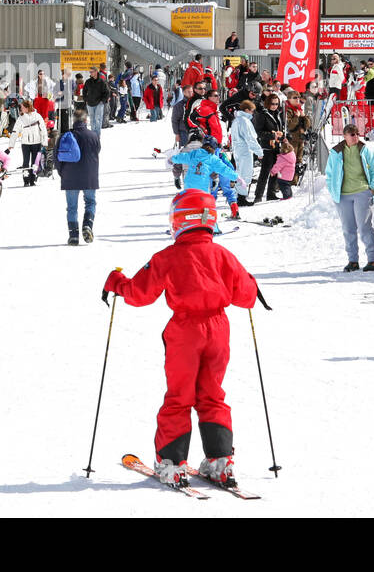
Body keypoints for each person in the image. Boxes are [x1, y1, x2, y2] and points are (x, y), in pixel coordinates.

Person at [101, 189, 260, 488]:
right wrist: (250, 282)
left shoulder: (168, 257)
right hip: (218, 329)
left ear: (179, 220)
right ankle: (220, 460)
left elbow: (139, 293)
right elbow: (246, 296)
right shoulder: (223, 255)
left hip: (185, 332)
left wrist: (117, 283)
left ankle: (172, 462)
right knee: (212, 393)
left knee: (180, 395)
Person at [325, 124, 374, 272]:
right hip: (343, 195)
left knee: (365, 227)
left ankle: (373, 259)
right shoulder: (336, 152)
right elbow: (330, 173)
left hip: (362, 192)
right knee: (348, 228)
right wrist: (333, 191)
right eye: (352, 134)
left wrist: (372, 188)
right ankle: (353, 260)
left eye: (357, 134)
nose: (356, 137)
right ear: (345, 136)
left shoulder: (365, 150)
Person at [56, 107, 101, 244]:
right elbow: (97, 151)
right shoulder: (93, 135)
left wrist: (62, 173)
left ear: (73, 120)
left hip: (70, 177)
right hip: (89, 176)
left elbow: (57, 159)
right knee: (90, 202)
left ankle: (73, 235)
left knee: (71, 207)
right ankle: (87, 225)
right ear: (86, 120)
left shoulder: (66, 136)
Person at [251, 93, 287, 203]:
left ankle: (271, 193)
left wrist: (283, 137)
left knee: (275, 170)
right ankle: (258, 195)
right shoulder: (262, 114)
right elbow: (258, 132)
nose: (274, 106)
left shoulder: (278, 113)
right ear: (267, 103)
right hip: (266, 146)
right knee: (265, 171)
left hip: (277, 145)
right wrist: (272, 135)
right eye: (272, 104)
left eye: (276, 104)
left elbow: (281, 127)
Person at [13, 99, 48, 186]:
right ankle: (26, 180)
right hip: (25, 143)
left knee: (35, 162)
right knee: (25, 162)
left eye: (22, 107)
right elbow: (15, 131)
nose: (21, 109)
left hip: (37, 142)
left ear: (27, 108)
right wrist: (11, 144)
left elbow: (43, 129)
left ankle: (33, 179)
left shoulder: (37, 116)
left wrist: (44, 142)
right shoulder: (21, 118)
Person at [82, 68, 109, 133]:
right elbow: (84, 91)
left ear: (96, 72)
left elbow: (107, 92)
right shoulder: (88, 81)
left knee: (98, 119)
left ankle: (97, 135)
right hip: (90, 103)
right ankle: (93, 135)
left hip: (99, 103)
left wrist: (102, 101)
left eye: (92, 72)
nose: (90, 73)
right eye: (90, 72)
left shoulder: (102, 81)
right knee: (92, 119)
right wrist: (86, 99)